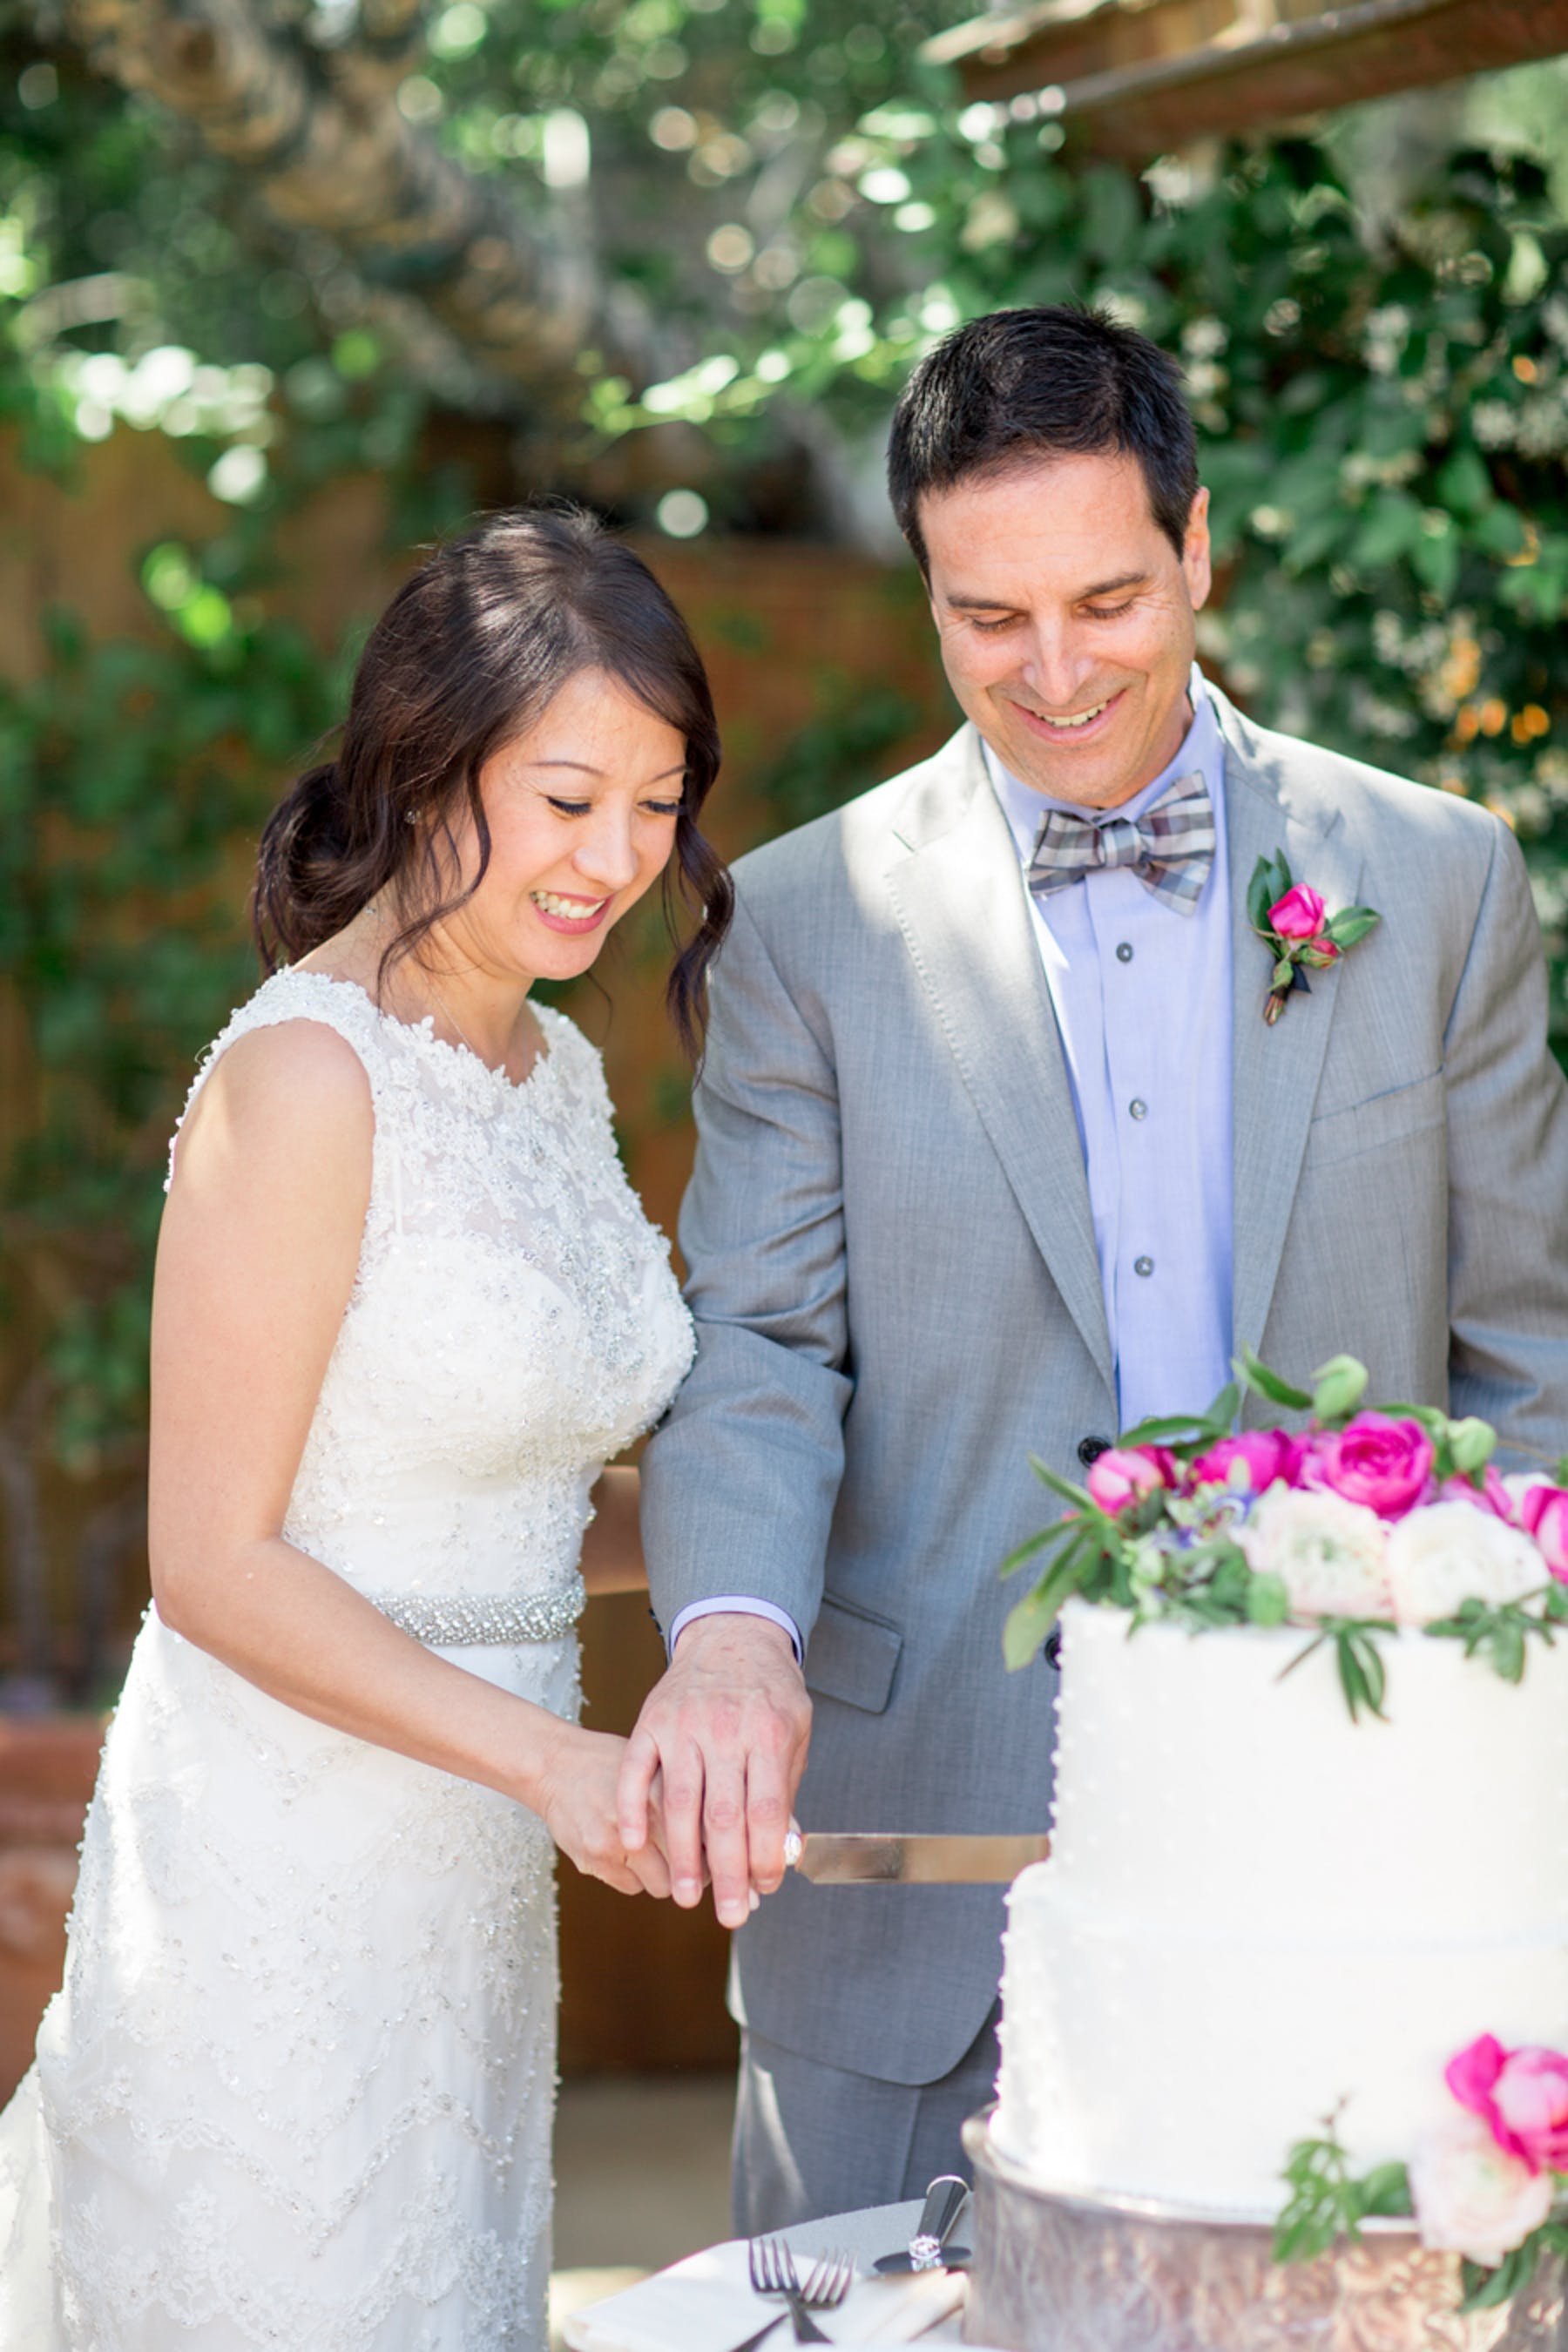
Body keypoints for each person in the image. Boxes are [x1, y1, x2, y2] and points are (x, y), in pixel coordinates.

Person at [619, 304, 1568, 2230]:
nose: (1055, 671)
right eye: (988, 618)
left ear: (1201, 546)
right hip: (916, 1855)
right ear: (928, 599)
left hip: (1357, 1833)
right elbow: (762, 1348)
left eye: (1111, 599)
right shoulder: (803, 929)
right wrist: (725, 1630)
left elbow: (1527, 1357)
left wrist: (1494, 1731)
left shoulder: (1441, 878)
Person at [0, 504, 731, 2349]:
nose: (617, 859)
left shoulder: (549, 1070)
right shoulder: (303, 1078)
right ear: (426, 768)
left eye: (658, 805)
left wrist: (785, 1549)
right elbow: (217, 1559)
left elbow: (524, 1491)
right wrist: (556, 1765)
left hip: (470, 1874)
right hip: (286, 1852)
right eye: (568, 799)